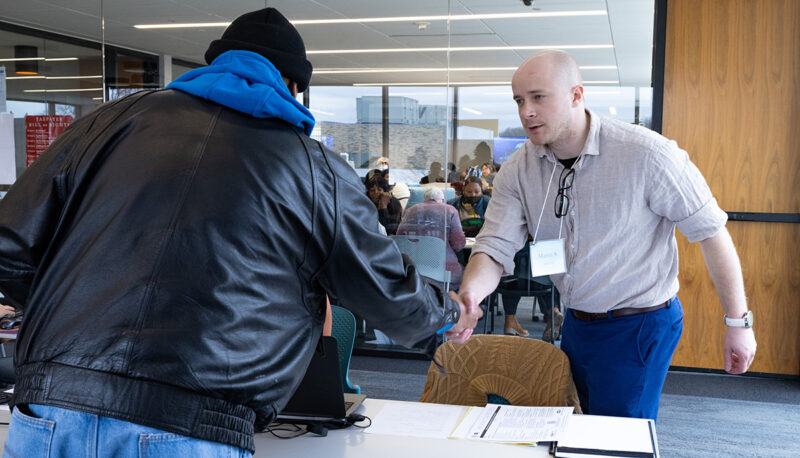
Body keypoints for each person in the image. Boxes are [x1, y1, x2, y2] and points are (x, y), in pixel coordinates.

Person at [0, 8, 480, 457]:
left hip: (48, 407)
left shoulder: (108, 123)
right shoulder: (313, 169)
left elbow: (9, 247)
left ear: (215, 65)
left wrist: (71, 317)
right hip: (188, 421)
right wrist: (444, 314)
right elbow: (381, 284)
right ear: (293, 86)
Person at [459, 50, 756, 420]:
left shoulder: (647, 154)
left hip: (639, 322)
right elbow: (494, 246)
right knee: (577, 421)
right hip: (577, 320)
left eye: (538, 97)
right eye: (519, 100)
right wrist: (471, 294)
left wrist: (738, 322)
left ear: (576, 95)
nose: (526, 112)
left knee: (617, 433)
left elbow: (711, 232)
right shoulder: (520, 168)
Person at [397, 188, 466, 291]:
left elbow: (400, 236)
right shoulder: (450, 210)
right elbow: (458, 244)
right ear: (442, 200)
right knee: (465, 270)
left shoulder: (411, 210)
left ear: (424, 200)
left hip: (414, 268)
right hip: (442, 270)